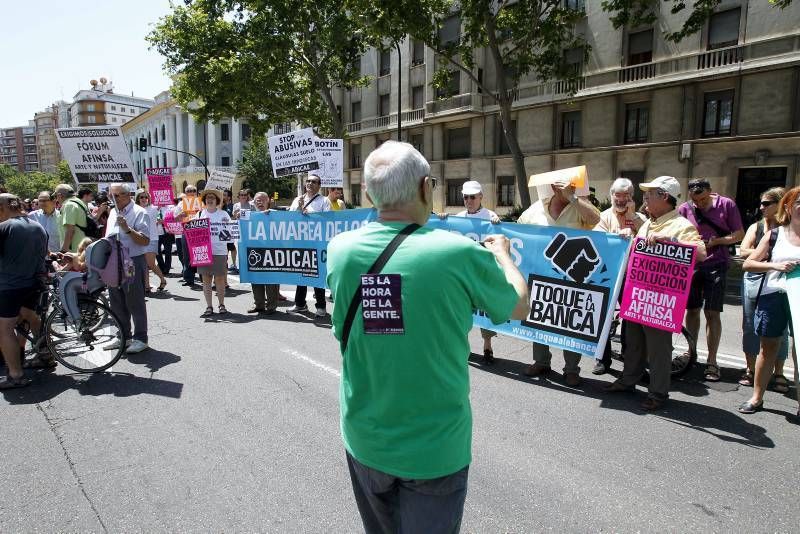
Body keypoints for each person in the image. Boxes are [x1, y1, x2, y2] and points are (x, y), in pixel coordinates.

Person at [327, 141, 529, 533]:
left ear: (369, 194)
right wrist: (503, 254)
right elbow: (518, 306)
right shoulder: (458, 253)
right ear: (426, 188)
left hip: (366, 437)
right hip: (434, 448)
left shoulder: (341, 250)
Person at [605, 176, 706, 411]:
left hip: (659, 299)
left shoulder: (681, 225)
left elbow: (700, 252)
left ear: (664, 197)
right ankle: (627, 381)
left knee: (659, 350)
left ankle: (658, 393)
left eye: (649, 194)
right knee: (633, 343)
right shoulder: (649, 222)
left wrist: (671, 241)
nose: (644, 198)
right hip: (637, 295)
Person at [516, 176, 601, 386]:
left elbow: (596, 220)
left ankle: (571, 370)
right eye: (565, 186)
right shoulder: (535, 210)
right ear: (553, 186)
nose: (569, 189)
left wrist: (573, 198)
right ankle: (541, 361)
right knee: (538, 318)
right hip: (539, 275)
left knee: (570, 321)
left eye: (573, 186)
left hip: (571, 278)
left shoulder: (579, 206)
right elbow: (518, 230)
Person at [739, 186, 800, 414]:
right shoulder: (775, 235)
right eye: (799, 202)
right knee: (768, 348)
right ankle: (756, 398)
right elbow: (748, 263)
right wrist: (775, 265)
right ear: (789, 206)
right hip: (773, 295)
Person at [678, 178, 744, 382]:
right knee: (692, 310)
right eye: (696, 201)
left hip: (717, 263)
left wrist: (717, 241)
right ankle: (691, 353)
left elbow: (738, 234)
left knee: (712, 313)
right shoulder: (684, 209)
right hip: (692, 265)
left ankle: (712, 361)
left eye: (704, 199)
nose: (700, 204)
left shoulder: (727, 205)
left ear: (710, 192)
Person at [440, 180, 501, 364]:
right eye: (466, 197)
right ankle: (464, 347)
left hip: (482, 272)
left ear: (481, 197)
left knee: (485, 312)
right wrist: (444, 220)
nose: (469, 200)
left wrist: (497, 223)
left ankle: (487, 346)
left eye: (472, 197)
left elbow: (500, 237)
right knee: (461, 311)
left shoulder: (490, 216)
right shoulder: (458, 217)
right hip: (463, 274)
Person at [591, 178, 646, 375]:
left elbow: (648, 237)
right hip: (609, 274)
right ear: (611, 195)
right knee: (603, 316)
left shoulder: (640, 217)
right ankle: (602, 359)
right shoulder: (603, 216)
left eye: (626, 195)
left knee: (632, 321)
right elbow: (598, 241)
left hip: (634, 276)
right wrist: (616, 237)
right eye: (618, 195)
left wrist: (632, 217)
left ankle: (630, 362)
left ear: (632, 197)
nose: (621, 199)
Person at [0, 193, 48, 389]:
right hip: (34, 284)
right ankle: (45, 355)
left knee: (4, 329)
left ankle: (15, 375)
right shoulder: (38, 226)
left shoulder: (4, 228)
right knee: (33, 318)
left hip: (9, 286)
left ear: (2, 208)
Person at [104, 183, 151, 354]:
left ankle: (140, 338)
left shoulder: (140, 212)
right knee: (116, 300)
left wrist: (127, 229)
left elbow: (145, 241)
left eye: (116, 195)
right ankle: (123, 336)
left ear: (127, 195)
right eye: (111, 195)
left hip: (132, 261)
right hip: (113, 261)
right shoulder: (112, 212)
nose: (112, 199)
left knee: (134, 300)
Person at [289, 173, 332, 317]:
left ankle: (321, 306)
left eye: (314, 181)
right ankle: (300, 304)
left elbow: (328, 219)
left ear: (319, 186)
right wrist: (299, 208)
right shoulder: (297, 199)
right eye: (308, 181)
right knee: (301, 273)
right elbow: (289, 219)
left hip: (316, 243)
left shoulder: (324, 201)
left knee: (316, 274)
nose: (310, 183)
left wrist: (310, 214)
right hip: (300, 241)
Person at [197, 189, 232, 317]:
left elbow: (230, 232)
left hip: (220, 250)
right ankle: (209, 306)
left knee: (220, 279)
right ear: (205, 201)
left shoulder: (224, 214)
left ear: (217, 200)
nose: (210, 199)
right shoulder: (200, 214)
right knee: (206, 279)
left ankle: (221, 304)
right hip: (204, 251)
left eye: (212, 197)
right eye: (207, 198)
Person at [247, 192, 281, 315]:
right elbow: (236, 220)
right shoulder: (249, 215)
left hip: (271, 252)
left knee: (271, 279)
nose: (260, 202)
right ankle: (259, 305)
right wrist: (237, 215)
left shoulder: (275, 214)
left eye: (262, 200)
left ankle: (271, 306)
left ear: (268, 202)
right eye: (257, 200)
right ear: (253, 203)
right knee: (256, 279)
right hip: (254, 252)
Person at [135, 190, 167, 293]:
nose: (144, 199)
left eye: (146, 197)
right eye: (141, 197)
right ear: (138, 199)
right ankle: (146, 286)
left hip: (152, 239)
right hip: (139, 238)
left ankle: (163, 279)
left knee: (150, 263)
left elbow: (164, 199)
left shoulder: (153, 208)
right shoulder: (135, 210)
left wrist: (168, 187)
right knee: (144, 264)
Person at [174, 185, 203, 287]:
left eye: (194, 190)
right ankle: (189, 279)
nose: (192, 192)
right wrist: (181, 215)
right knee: (187, 256)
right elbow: (175, 219)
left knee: (200, 255)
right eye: (189, 191)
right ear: (185, 193)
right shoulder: (181, 204)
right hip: (186, 231)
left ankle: (203, 278)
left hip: (199, 231)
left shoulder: (201, 202)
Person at [54, 183, 88, 253]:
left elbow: (70, 230)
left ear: (59, 195)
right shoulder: (80, 202)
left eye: (55, 196)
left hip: (73, 251)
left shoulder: (69, 205)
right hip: (82, 248)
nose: (56, 199)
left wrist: (63, 250)